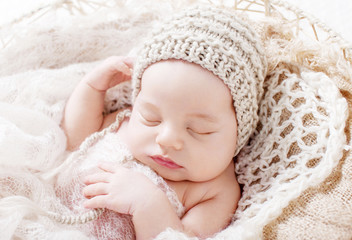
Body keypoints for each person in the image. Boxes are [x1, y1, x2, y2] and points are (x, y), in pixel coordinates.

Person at [62, 5, 267, 239]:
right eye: (152, 118)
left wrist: (147, 203)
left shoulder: (216, 191)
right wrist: (91, 88)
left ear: (239, 134)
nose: (167, 139)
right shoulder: (127, 123)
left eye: (198, 130)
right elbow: (74, 140)